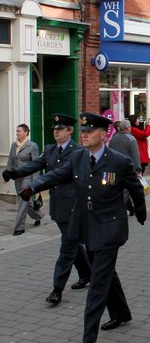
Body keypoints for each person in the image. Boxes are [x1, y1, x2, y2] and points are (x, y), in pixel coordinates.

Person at [18, 112, 146, 343]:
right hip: (87, 224)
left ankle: (89, 339)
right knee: (104, 270)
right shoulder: (78, 157)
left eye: (89, 132)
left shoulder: (119, 161)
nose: (84, 135)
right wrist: (33, 186)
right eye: (83, 132)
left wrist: (140, 213)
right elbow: (56, 175)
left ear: (103, 134)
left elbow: (135, 190)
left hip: (110, 227)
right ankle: (121, 313)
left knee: (98, 282)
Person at [2, 115, 91, 304]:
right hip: (58, 206)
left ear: (70, 131)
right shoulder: (50, 150)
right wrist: (14, 173)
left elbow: (57, 175)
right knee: (73, 243)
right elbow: (35, 165)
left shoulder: (78, 152)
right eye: (54, 128)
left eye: (61, 128)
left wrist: (33, 187)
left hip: (73, 207)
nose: (56, 131)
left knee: (67, 247)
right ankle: (88, 274)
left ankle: (57, 289)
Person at [5, 124, 44, 235]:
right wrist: (7, 175)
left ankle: (19, 228)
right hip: (17, 177)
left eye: (20, 131)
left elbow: (37, 165)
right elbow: (11, 162)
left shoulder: (32, 146)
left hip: (28, 177)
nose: (17, 133)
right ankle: (38, 216)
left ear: (26, 132)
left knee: (22, 201)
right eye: (16, 131)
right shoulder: (14, 145)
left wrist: (36, 183)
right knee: (26, 201)